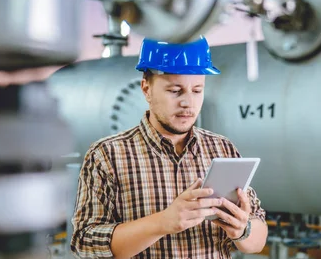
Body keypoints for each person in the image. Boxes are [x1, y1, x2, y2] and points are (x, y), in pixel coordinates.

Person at [70, 36, 268, 259]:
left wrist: (243, 230)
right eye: (175, 91)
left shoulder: (222, 149)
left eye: (197, 90)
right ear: (146, 89)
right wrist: (162, 222)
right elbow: (84, 244)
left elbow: (258, 236)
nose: (188, 103)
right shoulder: (107, 155)